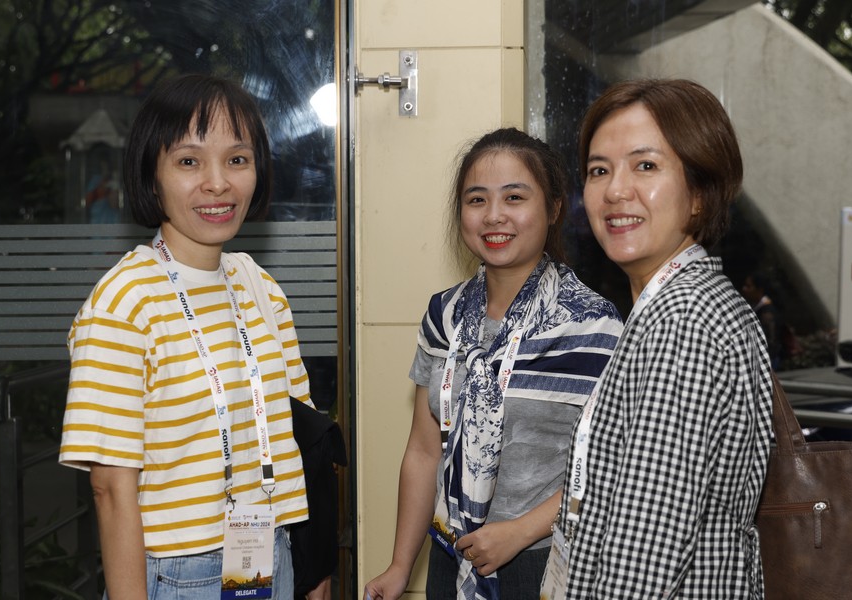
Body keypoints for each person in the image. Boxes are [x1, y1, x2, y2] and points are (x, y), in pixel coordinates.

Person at [59, 74, 315, 599]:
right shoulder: (125, 302)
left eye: (237, 159)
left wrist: (312, 569)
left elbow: (297, 436)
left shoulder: (259, 286)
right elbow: (110, 488)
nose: (218, 183)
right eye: (189, 162)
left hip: (269, 556)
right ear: (151, 177)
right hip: (177, 574)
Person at [363, 128, 623, 600]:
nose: (494, 215)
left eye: (514, 197)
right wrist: (401, 566)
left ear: (553, 208)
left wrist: (520, 531)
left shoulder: (592, 324)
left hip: (546, 560)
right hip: (451, 556)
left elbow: (612, 466)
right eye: (477, 199)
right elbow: (424, 450)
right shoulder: (445, 315)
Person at [542, 79, 774, 598]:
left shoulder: (684, 319)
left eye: (645, 165)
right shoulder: (681, 303)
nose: (615, 190)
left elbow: (644, 556)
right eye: (599, 170)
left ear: (700, 194)